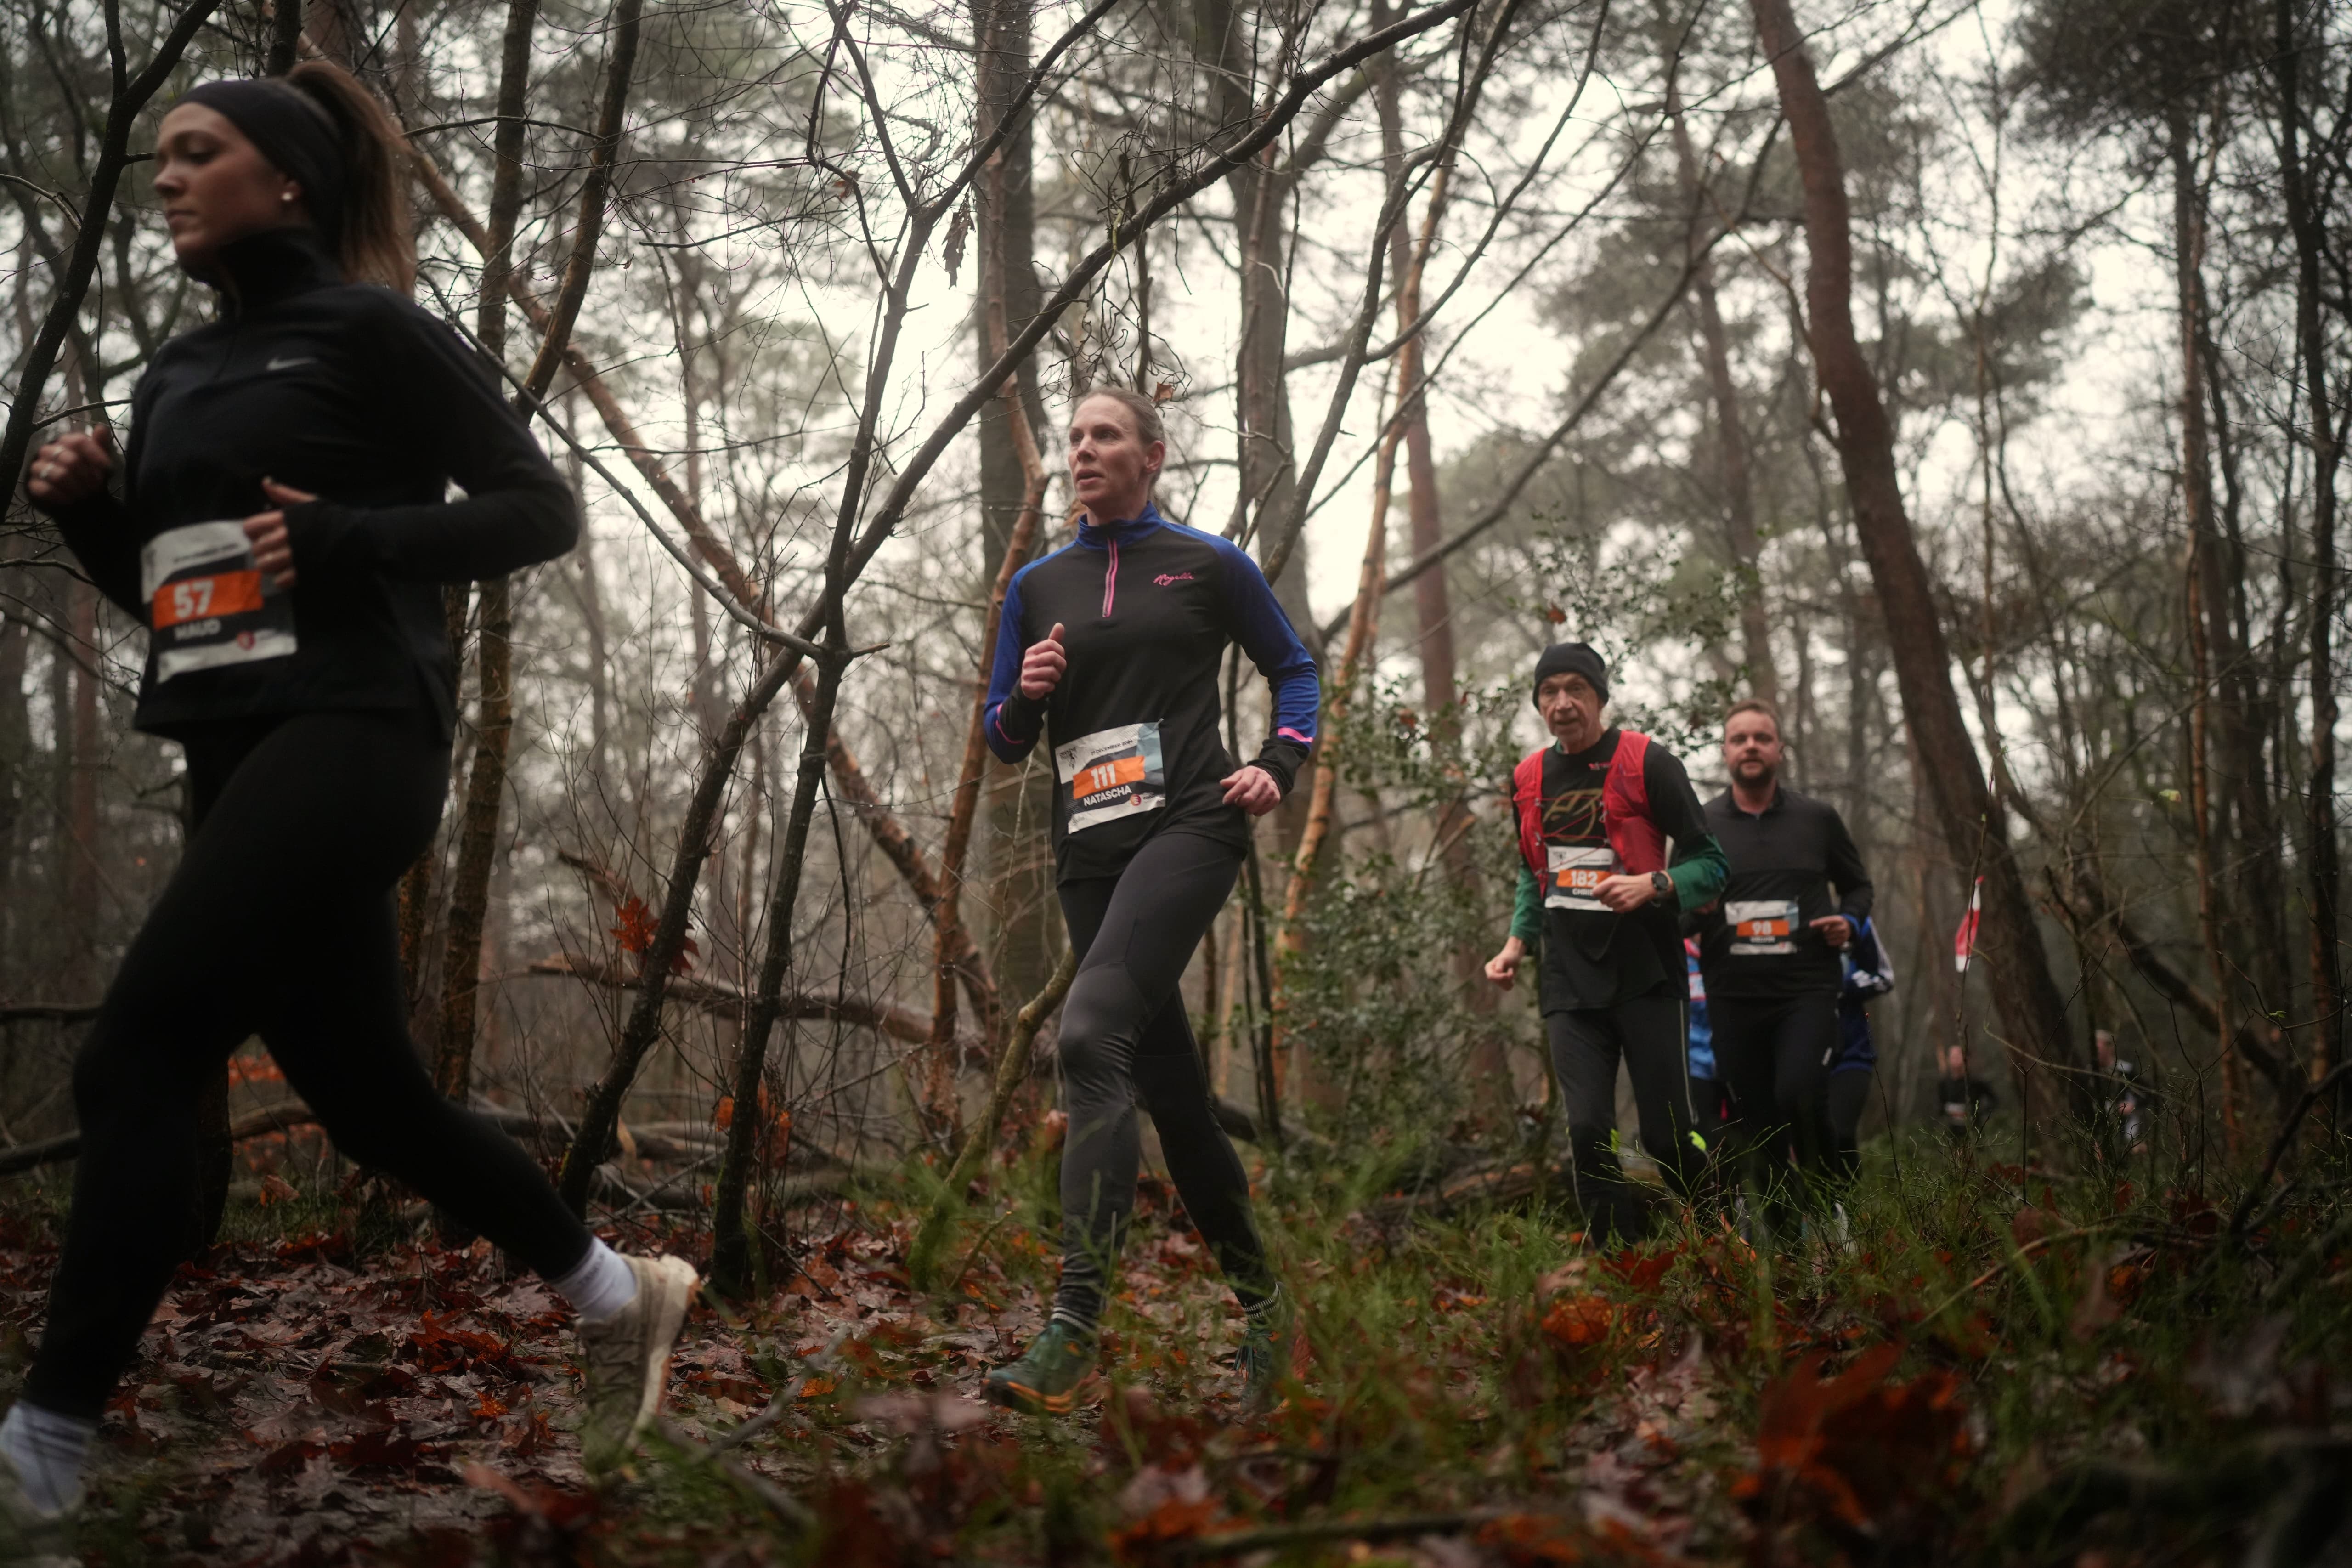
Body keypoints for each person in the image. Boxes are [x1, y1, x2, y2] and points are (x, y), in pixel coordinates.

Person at [6, 65, 695, 1555]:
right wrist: (91, 515)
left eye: (199, 151)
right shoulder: (172, 374)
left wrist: (351, 537)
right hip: (232, 744)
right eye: (162, 156)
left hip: (363, 729)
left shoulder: (372, 332)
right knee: (371, 1099)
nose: (167, 177)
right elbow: (180, 599)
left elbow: (539, 509)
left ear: (290, 181)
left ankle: (42, 1445)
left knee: (136, 1053)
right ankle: (615, 1293)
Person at [975, 387, 1317, 1414]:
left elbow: (1295, 669)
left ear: (1152, 454)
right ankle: (1272, 1314)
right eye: (1075, 437)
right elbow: (1002, 737)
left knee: (1088, 1037)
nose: (1084, 450)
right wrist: (1028, 693)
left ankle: (1074, 1326)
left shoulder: (1207, 564)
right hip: (1089, 850)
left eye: (1106, 435)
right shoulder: (1038, 585)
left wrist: (1277, 762)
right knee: (1169, 1091)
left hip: (1191, 826)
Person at [1485, 645, 1728, 1245]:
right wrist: (1517, 942)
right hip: (1569, 977)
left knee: (1666, 1138)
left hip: (1647, 969)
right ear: (1538, 702)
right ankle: (1617, 1268)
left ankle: (1722, 1235)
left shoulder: (1647, 761)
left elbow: (1713, 865)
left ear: (1599, 696)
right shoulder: (1527, 778)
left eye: (1576, 689)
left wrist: (1656, 883)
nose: (1562, 703)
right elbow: (1532, 872)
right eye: (1549, 691)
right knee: (1589, 1132)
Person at [1694, 699, 1872, 1218]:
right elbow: (1679, 913)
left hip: (1805, 989)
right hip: (1732, 994)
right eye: (1739, 738)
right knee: (1756, 1121)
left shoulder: (1816, 818)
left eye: (1761, 738)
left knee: (1799, 1092)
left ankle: (1829, 1205)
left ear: (1780, 749)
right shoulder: (1701, 825)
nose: (1750, 746)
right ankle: (1785, 1234)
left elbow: (1858, 885)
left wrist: (1849, 921)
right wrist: (1692, 907)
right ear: (1725, 751)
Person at [1823, 917, 1894, 1183]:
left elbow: (1884, 977)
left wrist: (1841, 985)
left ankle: (1846, 1204)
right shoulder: (1783, 917)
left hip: (1851, 1054)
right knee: (1811, 1137)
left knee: (1839, 1131)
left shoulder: (1854, 920)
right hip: (1800, 1055)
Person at [1937, 1043, 1998, 1138]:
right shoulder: (1944, 1083)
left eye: (1958, 1056)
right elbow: (1940, 1105)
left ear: (1966, 1058)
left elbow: (1994, 1100)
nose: (1955, 1060)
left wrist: (1981, 1113)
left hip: (1973, 1132)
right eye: (1952, 1057)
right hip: (1951, 1134)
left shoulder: (1976, 1082)